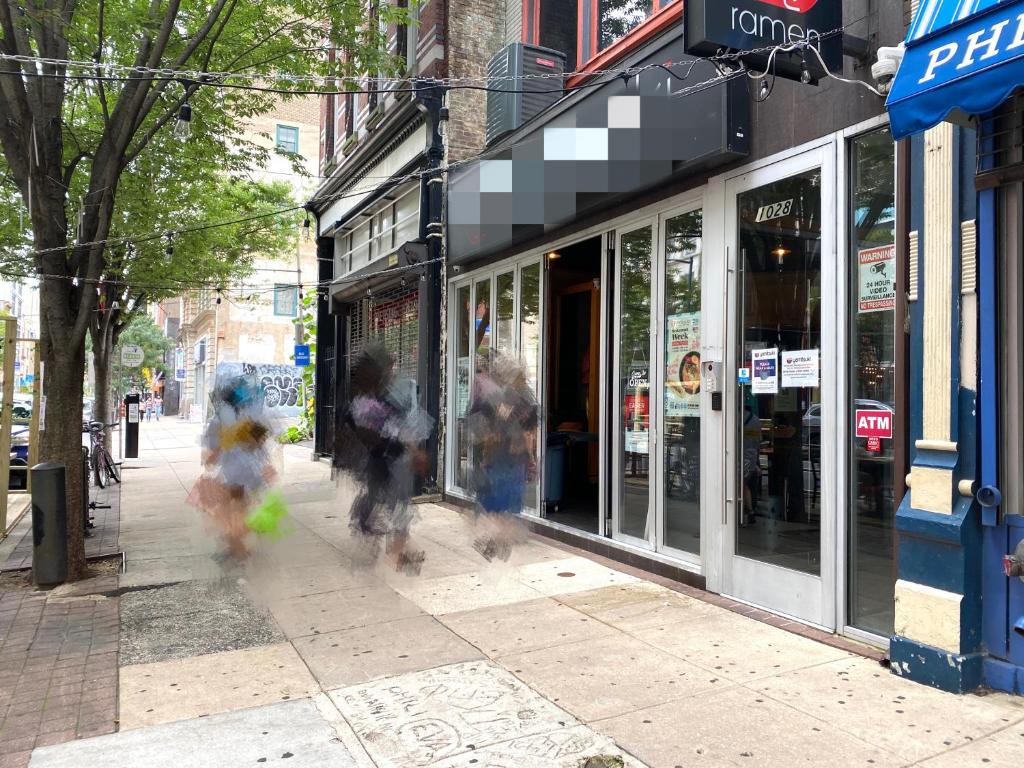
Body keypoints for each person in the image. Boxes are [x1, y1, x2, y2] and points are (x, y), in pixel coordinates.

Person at [334, 344, 431, 575]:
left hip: (386, 461)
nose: (390, 371)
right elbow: (384, 432)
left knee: (392, 505)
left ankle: (394, 551)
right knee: (389, 504)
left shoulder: (377, 399)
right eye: (388, 367)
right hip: (382, 461)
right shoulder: (366, 403)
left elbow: (400, 427)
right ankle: (394, 552)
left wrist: (412, 450)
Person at [186, 374, 278, 562]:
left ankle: (238, 547)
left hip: (235, 474)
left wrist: (214, 455)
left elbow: (212, 454)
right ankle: (238, 546)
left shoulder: (220, 420)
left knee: (228, 514)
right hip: (251, 473)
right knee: (237, 511)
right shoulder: (253, 419)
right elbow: (260, 444)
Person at [466, 351, 539, 561]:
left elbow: (526, 432)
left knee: (499, 506)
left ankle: (494, 543)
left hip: (505, 460)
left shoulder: (505, 397)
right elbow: (527, 433)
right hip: (505, 461)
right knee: (501, 506)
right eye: (520, 376)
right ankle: (495, 543)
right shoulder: (513, 399)